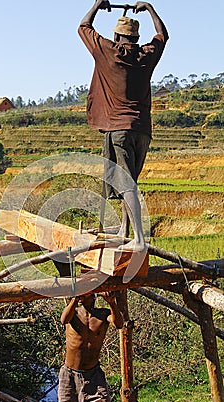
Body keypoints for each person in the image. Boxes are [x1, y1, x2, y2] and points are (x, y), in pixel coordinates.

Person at [78, 1, 169, 252]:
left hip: (119, 129)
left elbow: (83, 26)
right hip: (142, 130)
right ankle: (125, 230)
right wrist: (150, 8)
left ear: (117, 36)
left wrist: (97, 5)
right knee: (130, 179)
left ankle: (139, 239)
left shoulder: (108, 51)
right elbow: (163, 35)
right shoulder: (146, 55)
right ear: (137, 38)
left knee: (126, 182)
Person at [56, 292, 123, 402]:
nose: (88, 296)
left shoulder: (103, 314)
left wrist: (112, 302)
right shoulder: (74, 313)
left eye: (90, 294)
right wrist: (74, 299)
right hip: (70, 374)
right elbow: (63, 319)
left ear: (94, 296)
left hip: (94, 375)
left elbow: (119, 324)